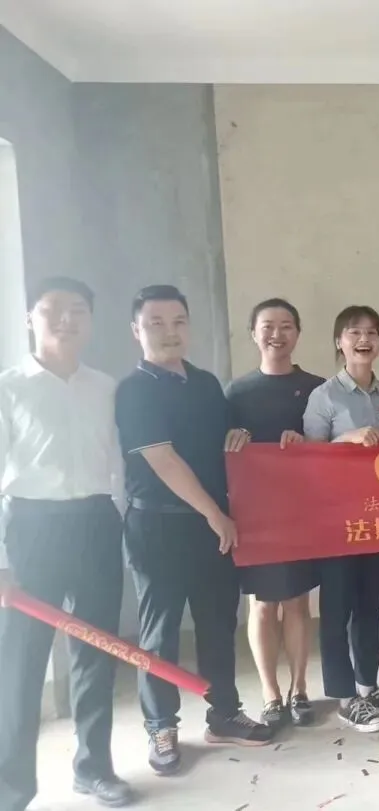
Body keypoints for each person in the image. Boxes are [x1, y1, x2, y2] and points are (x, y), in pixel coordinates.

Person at [114, 284, 272, 777]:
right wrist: (214, 513)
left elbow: (222, 441)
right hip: (159, 525)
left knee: (217, 622)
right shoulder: (134, 390)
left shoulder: (205, 384)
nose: (169, 332)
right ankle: (161, 725)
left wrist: (238, 437)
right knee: (159, 632)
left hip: (212, 525)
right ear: (136, 330)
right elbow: (163, 460)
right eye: (156, 323)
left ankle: (224, 714)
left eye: (178, 321)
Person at [0, 278, 133, 811]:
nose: (65, 320)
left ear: (91, 321)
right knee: (22, 661)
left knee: (96, 650)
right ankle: (11, 788)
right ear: (30, 318)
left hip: (96, 523)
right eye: (52, 310)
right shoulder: (10, 387)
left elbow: (118, 463)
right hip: (32, 528)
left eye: (77, 310)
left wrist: (118, 517)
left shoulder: (106, 388)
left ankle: (93, 769)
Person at [303, 305, 379, 731]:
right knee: (338, 609)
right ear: (339, 341)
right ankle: (345, 697)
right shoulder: (324, 396)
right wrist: (347, 438)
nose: (364, 340)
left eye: (372, 332)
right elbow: (308, 460)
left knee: (370, 605)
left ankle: (368, 686)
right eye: (354, 332)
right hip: (338, 519)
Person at [226, 299, 324, 727]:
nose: (277, 334)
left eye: (286, 326)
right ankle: (270, 694)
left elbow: (329, 446)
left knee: (298, 602)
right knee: (262, 606)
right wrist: (231, 438)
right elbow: (219, 448)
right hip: (254, 513)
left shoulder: (317, 388)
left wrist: (305, 443)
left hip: (301, 511)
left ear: (297, 334)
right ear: (253, 333)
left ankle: (300, 689)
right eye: (268, 325)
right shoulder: (236, 392)